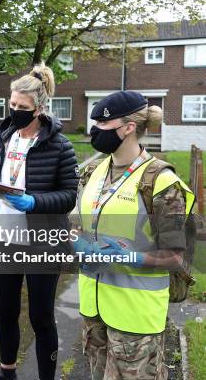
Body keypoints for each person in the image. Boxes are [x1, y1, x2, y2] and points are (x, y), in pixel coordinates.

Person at [75, 91, 194, 380]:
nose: (94, 131)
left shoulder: (163, 183)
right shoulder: (93, 171)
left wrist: (126, 256)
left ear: (128, 127)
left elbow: (175, 257)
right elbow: (78, 226)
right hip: (94, 311)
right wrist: (74, 241)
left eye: (102, 124)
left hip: (135, 319)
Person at [0, 63, 79, 380]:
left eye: (22, 108)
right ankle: (6, 373)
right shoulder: (4, 137)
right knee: (6, 312)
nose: (15, 111)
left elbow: (68, 196)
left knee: (41, 316)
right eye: (12, 105)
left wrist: (34, 201)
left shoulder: (60, 145)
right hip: (4, 239)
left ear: (39, 108)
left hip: (42, 241)